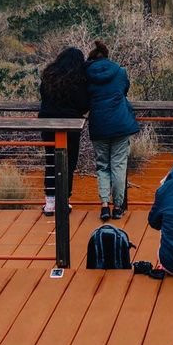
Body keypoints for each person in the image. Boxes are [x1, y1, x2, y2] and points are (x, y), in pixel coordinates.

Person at [85, 41, 138, 221]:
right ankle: (118, 206)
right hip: (120, 124)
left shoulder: (86, 74)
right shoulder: (120, 72)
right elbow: (124, 90)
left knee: (103, 166)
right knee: (119, 165)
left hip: (99, 125)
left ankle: (104, 205)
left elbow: (84, 98)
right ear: (107, 56)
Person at [39, 47, 89, 216]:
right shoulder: (79, 79)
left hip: (48, 124)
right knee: (69, 162)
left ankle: (50, 202)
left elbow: (44, 98)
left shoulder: (49, 75)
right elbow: (84, 104)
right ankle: (64, 201)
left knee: (51, 160)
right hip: (70, 125)